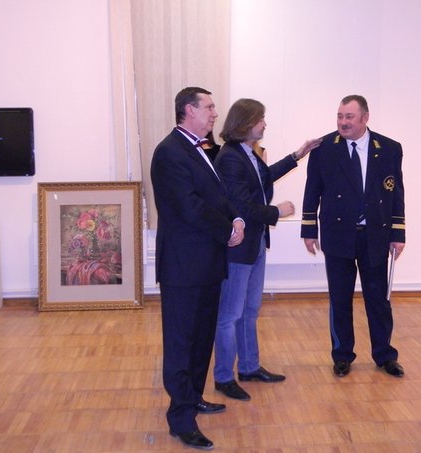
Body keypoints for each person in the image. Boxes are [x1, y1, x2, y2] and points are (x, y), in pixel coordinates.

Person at [150, 86, 245, 450]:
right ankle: (181, 419)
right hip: (183, 267)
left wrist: (236, 219)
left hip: (206, 264)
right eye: (209, 107)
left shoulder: (200, 148)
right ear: (189, 110)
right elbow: (190, 207)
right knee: (181, 343)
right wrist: (228, 231)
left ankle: (193, 397)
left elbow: (217, 197)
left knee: (202, 338)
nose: (215, 113)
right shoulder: (170, 152)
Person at [212, 98, 321, 401]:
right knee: (230, 315)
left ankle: (249, 367)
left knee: (249, 311)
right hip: (239, 247)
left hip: (255, 243)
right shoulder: (230, 157)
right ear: (246, 122)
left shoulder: (247, 152)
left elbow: (263, 177)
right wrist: (277, 212)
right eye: (261, 119)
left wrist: (297, 155)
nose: (264, 124)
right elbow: (242, 204)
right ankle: (223, 377)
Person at [301, 94, 406, 378]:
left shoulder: (389, 148)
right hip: (338, 235)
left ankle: (385, 355)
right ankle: (342, 355)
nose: (343, 122)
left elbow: (396, 192)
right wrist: (309, 229)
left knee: (378, 300)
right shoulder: (324, 148)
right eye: (340, 116)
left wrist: (398, 233)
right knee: (340, 298)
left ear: (365, 118)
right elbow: (312, 191)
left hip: (375, 235)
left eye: (349, 117)